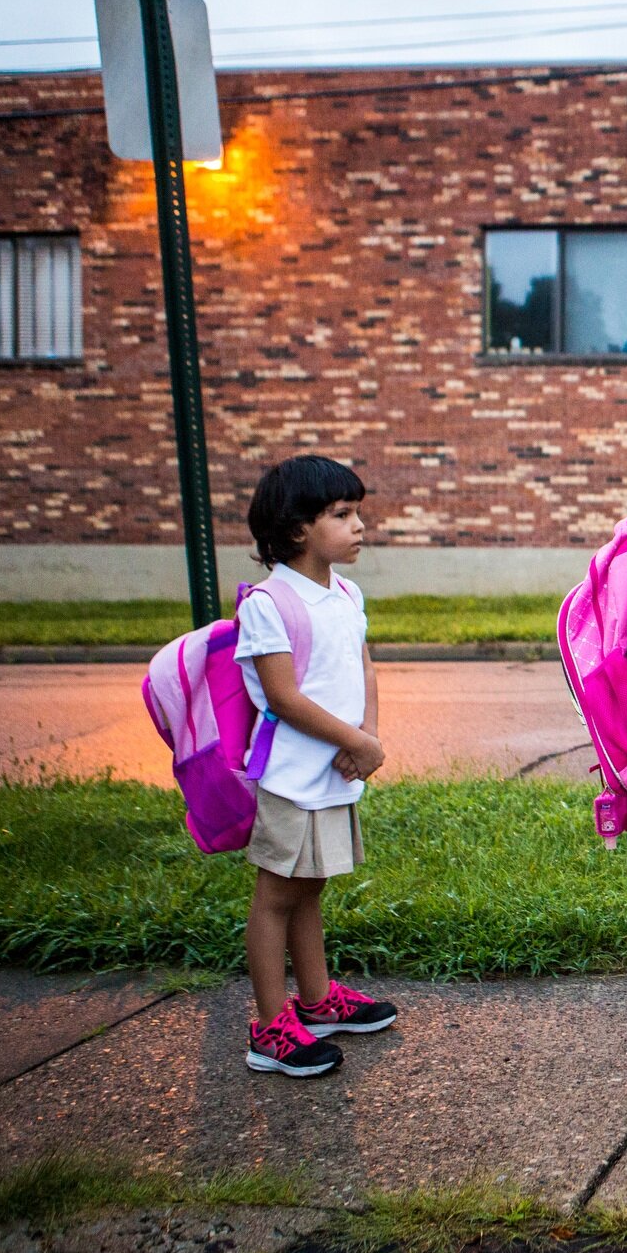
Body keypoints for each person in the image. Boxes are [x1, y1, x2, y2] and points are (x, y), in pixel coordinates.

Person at [236, 455, 398, 1079]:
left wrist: (369, 738)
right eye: (342, 514)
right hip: (290, 780)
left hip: (334, 773)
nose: (359, 526)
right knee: (277, 893)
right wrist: (357, 741)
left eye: (357, 512)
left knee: (312, 885)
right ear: (298, 528)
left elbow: (364, 667)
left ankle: (317, 998)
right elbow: (283, 697)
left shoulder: (347, 593)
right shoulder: (270, 603)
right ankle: (270, 1027)